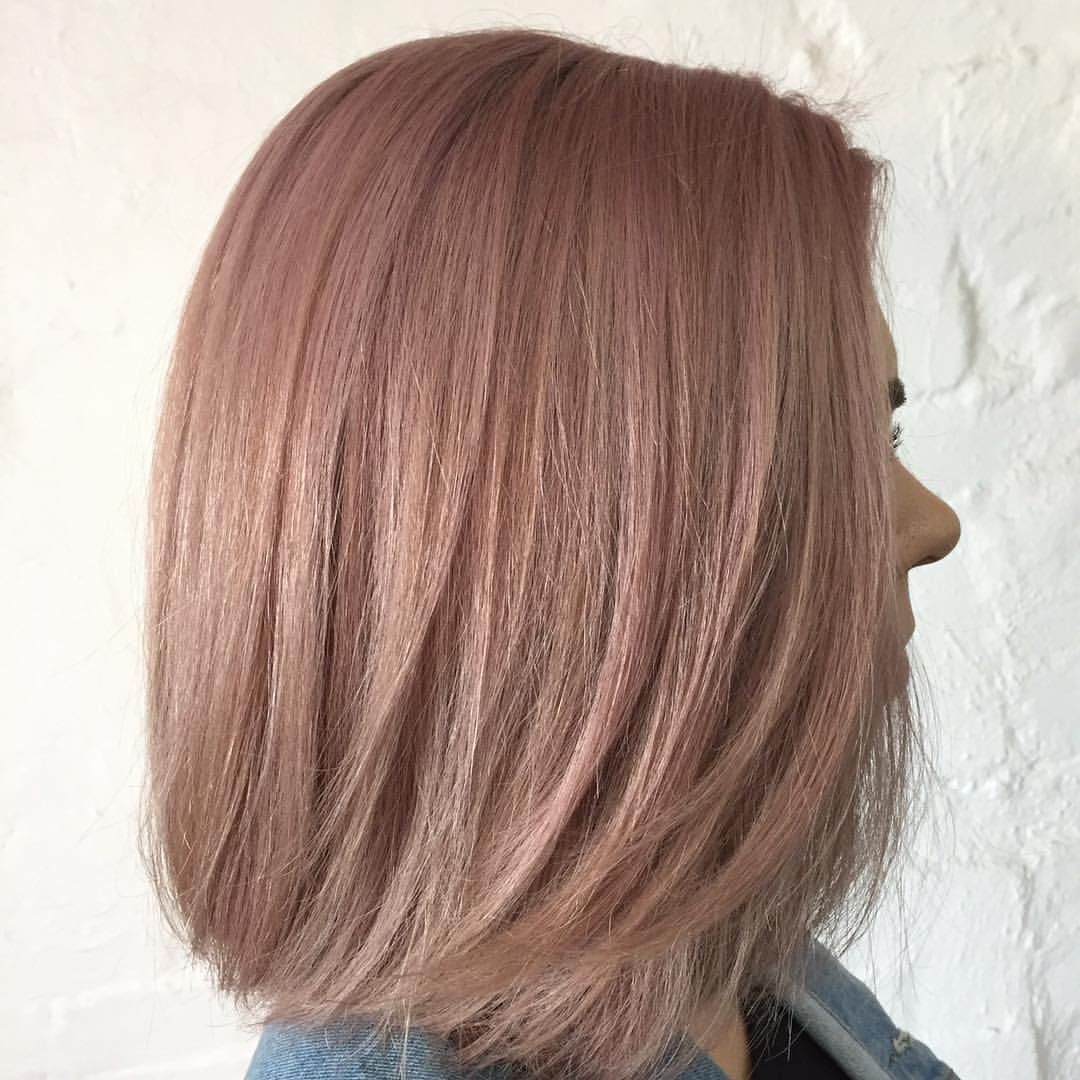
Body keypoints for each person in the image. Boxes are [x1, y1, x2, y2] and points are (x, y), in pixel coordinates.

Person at [138, 26, 963, 1080]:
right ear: (583, 546)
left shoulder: (714, 959)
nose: (932, 524)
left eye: (886, 440)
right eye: (842, 452)